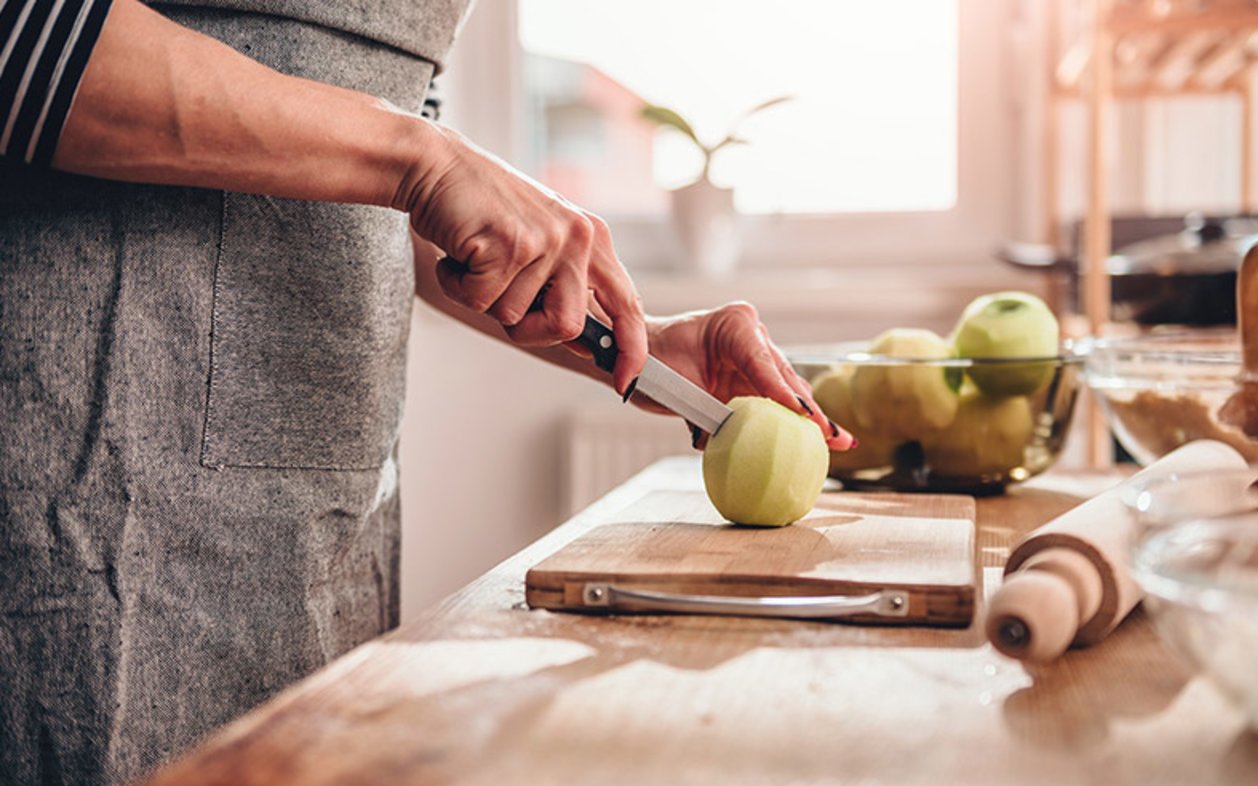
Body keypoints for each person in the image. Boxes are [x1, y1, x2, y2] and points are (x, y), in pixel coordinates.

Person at [0, 0, 853, 783]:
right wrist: (420, 156)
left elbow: (407, 193)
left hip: (326, 485)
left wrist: (641, 347)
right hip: (91, 453)